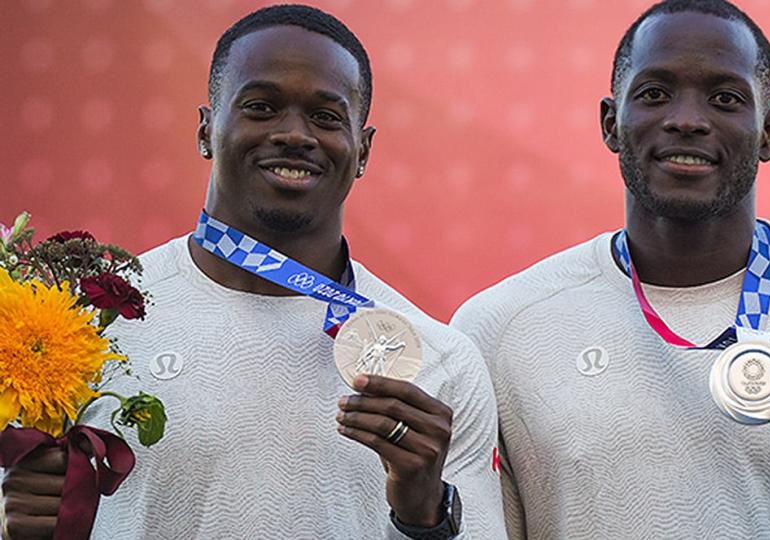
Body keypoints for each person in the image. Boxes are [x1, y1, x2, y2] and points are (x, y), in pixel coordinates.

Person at [451, 0, 770, 537]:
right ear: (610, 123)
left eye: (725, 98)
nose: (687, 120)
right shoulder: (498, 329)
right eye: (654, 94)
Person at [1, 5, 505, 539]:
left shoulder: (438, 359)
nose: (294, 134)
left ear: (363, 149)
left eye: (326, 117)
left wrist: (426, 514)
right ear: (204, 130)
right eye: (261, 107)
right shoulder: (81, 331)